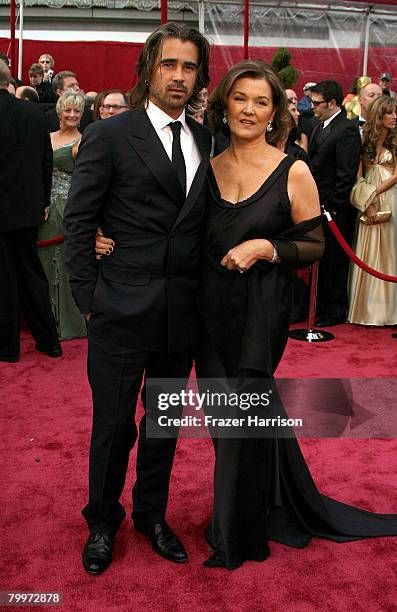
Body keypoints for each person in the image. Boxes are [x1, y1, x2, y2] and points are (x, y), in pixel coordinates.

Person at [197, 60, 397, 570]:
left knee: (240, 409)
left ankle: (235, 534)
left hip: (261, 312)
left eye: (261, 101)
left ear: (276, 112)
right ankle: (264, 501)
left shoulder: (294, 168)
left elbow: (313, 245)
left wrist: (267, 246)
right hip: (209, 309)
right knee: (227, 416)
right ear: (224, 104)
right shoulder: (207, 163)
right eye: (240, 98)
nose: (249, 109)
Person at [63, 23, 211, 575]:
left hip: (180, 314)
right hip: (119, 309)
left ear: (199, 76)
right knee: (114, 426)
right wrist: (88, 298)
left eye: (189, 67)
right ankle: (102, 520)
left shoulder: (205, 138)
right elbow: (79, 222)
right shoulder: (109, 135)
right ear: (149, 68)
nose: (178, 76)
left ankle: (152, 515)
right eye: (169, 64)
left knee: (162, 424)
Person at [0, 59, 61, 362]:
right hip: (27, 209)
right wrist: (43, 201)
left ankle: (7, 348)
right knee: (30, 273)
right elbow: (45, 159)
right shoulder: (34, 113)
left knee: (3, 278)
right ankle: (50, 341)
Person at [309, 80, 361, 327]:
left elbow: (346, 173)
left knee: (335, 260)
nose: (312, 106)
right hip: (319, 205)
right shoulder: (320, 126)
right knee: (323, 258)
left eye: (317, 103)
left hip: (335, 210)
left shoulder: (346, 130)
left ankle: (334, 310)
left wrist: (334, 205)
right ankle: (321, 306)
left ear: (332, 103)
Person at [37, 91, 87, 340]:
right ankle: (47, 316)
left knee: (66, 263)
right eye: (68, 110)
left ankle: (66, 321)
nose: (72, 115)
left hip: (68, 207)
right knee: (44, 259)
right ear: (59, 112)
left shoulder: (83, 142)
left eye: (77, 111)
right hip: (44, 206)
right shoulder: (47, 137)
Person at [348, 95, 397, 325]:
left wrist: (375, 194)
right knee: (366, 251)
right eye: (390, 112)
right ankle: (364, 310)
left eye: (395, 112)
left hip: (389, 197)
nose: (394, 117)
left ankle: (388, 312)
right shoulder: (365, 139)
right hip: (367, 197)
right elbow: (359, 171)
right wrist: (365, 195)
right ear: (379, 115)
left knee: (389, 251)